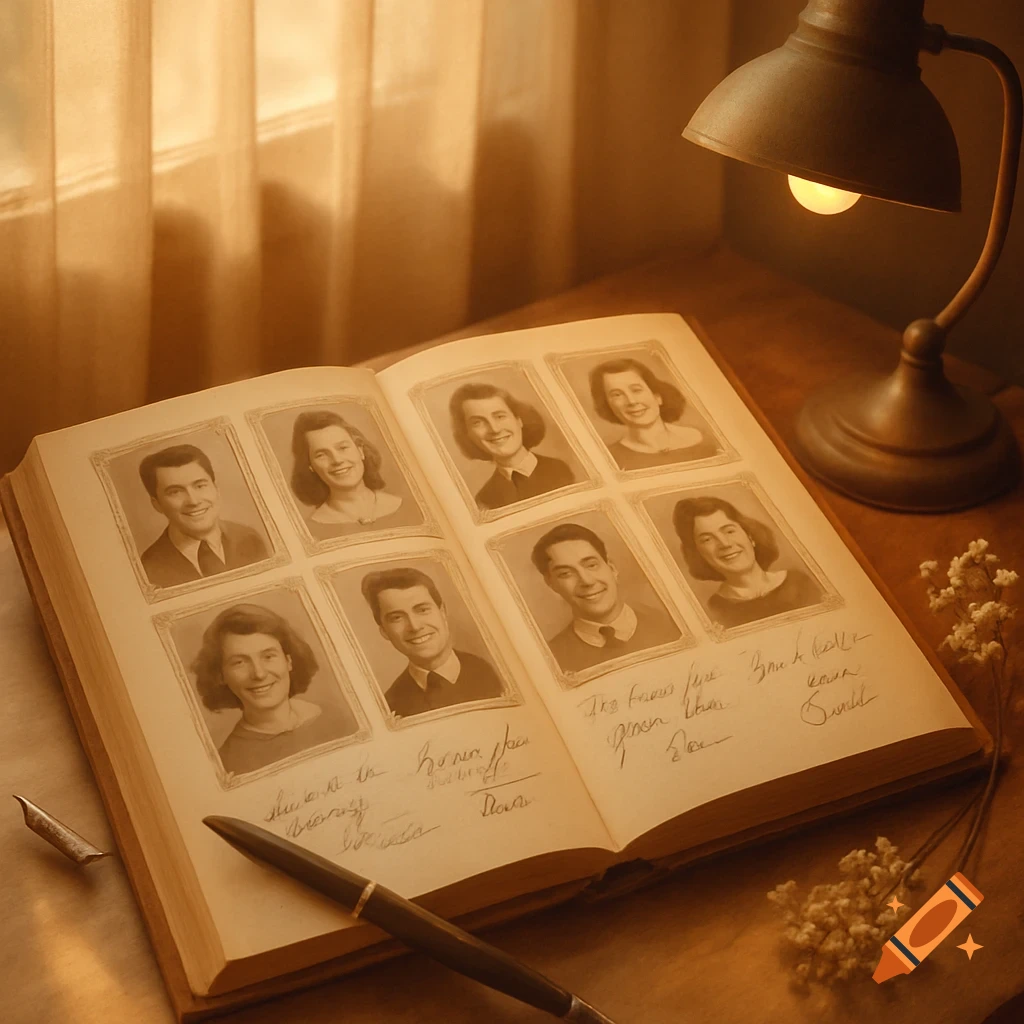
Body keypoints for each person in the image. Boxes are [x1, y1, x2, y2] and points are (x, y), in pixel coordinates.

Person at [192, 603, 359, 776]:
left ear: (289, 661)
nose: (259, 673)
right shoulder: (228, 765)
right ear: (221, 675)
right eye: (239, 662)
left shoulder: (340, 717)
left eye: (268, 656)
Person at [531, 523, 679, 673]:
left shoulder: (672, 624)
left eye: (591, 565)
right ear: (551, 585)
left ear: (612, 569)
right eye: (566, 574)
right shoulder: (552, 661)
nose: (587, 581)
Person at [361, 566, 505, 718]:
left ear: (442, 612)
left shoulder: (496, 671)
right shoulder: (391, 708)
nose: (415, 627)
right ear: (384, 631)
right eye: (397, 617)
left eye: (422, 610)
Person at [672, 496, 822, 628]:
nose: (725, 544)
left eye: (729, 531)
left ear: (750, 536)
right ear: (698, 553)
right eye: (707, 539)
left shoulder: (799, 582)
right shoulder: (716, 611)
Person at [138, 444, 269, 587]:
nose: (193, 501)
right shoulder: (148, 569)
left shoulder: (250, 539)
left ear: (216, 489)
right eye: (175, 492)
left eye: (200, 486)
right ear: (156, 504)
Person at [449, 382, 575, 510]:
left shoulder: (561, 470)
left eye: (500, 416)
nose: (495, 429)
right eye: (478, 423)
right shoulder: (485, 500)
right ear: (468, 434)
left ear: (519, 420)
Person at [588, 357, 720, 470]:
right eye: (617, 395)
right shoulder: (610, 460)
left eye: (636, 390)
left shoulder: (706, 440)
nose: (632, 401)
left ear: (657, 396)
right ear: (608, 406)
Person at [290, 410, 404, 538]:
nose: (337, 460)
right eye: (321, 455)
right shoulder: (309, 533)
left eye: (343, 448)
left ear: (360, 451)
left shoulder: (406, 507)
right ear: (310, 466)